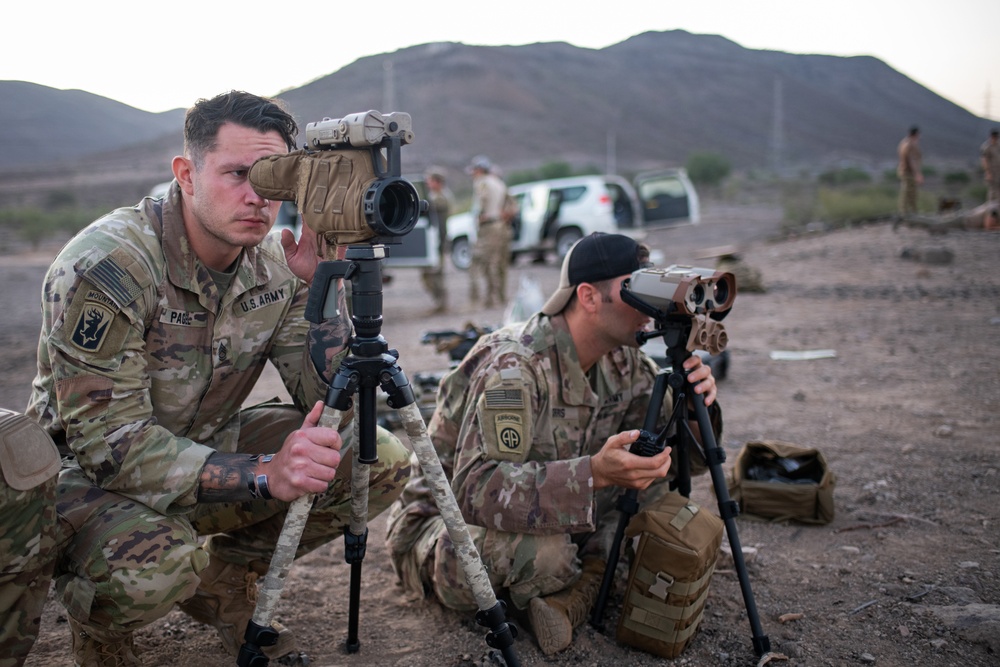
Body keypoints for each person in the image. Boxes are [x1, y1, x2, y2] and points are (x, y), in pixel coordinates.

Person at [16, 91, 411, 666]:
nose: (257, 197)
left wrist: (322, 291)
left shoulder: (275, 264)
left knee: (376, 458)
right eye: (236, 174)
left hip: (198, 451)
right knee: (158, 565)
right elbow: (109, 446)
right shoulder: (111, 265)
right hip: (84, 479)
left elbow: (329, 401)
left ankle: (224, 579)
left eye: (272, 179)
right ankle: (100, 625)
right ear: (186, 173)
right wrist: (262, 475)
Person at [385, 232, 718, 656]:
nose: (650, 309)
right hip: (444, 526)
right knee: (546, 556)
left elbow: (687, 462)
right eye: (635, 289)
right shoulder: (515, 367)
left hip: (545, 511)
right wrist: (593, 474)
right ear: (588, 297)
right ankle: (573, 583)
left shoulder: (625, 361)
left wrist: (695, 405)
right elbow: (474, 490)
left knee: (662, 514)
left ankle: (569, 597)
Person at [466, 155, 510, 308]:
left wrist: (479, 215)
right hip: (499, 225)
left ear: (479, 170)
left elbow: (481, 201)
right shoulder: (498, 183)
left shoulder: (482, 183)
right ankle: (496, 297)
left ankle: (478, 300)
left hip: (488, 226)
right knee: (496, 263)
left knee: (478, 263)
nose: (472, 174)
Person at [420, 168, 452, 314]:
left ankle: (442, 304)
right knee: (428, 275)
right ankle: (438, 302)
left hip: (438, 240)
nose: (428, 183)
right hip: (432, 241)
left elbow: (433, 208)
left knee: (436, 274)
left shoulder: (442, 198)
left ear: (437, 182)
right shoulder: (433, 196)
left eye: (430, 180)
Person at [897, 126, 923, 216]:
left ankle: (910, 211)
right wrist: (917, 174)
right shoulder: (909, 145)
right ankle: (908, 212)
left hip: (905, 171)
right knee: (909, 192)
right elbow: (911, 160)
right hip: (908, 172)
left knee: (909, 192)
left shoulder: (904, 143)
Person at [980, 128, 1000, 204]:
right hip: (992, 171)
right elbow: (984, 160)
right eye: (994, 137)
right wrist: (988, 172)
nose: (995, 139)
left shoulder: (998, 145)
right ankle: (991, 207)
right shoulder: (987, 147)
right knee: (993, 190)